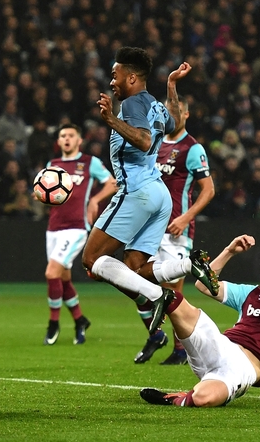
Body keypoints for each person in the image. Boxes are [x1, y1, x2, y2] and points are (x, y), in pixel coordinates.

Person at [82, 46, 218, 338]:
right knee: (135, 266)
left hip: (137, 191)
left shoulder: (131, 105)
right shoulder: (155, 106)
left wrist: (112, 121)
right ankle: (188, 265)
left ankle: (157, 297)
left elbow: (144, 141)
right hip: (160, 195)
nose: (111, 82)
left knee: (91, 260)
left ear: (131, 78)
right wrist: (171, 84)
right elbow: (173, 120)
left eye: (115, 75)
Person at [140, 235, 260, 408]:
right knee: (176, 300)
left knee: (203, 398)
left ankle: (175, 399)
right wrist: (229, 251)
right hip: (220, 345)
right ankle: (146, 289)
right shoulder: (255, 294)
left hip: (242, 369)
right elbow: (203, 285)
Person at [136, 101, 216, 365]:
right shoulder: (155, 145)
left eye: (177, 112)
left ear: (186, 114)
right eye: (168, 112)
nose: (173, 116)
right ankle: (156, 334)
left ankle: (183, 350)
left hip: (175, 231)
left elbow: (208, 190)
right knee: (133, 279)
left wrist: (185, 218)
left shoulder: (192, 148)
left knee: (171, 290)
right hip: (148, 228)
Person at [40, 123, 117, 345]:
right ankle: (80, 320)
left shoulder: (88, 162)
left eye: (71, 135)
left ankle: (53, 324)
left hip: (76, 227)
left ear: (79, 140)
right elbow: (46, 192)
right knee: (63, 278)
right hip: (54, 227)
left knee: (51, 273)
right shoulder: (52, 165)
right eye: (62, 135)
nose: (66, 139)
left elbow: (113, 183)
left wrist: (94, 200)